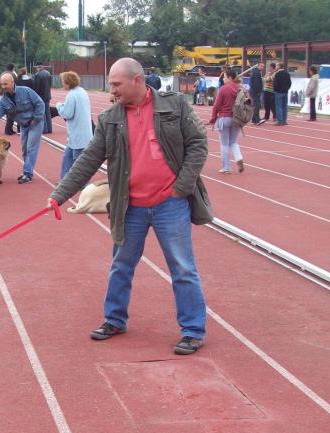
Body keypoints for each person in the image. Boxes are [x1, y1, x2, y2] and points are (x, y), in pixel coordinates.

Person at [47, 58, 211, 355]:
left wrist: (181, 187)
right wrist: (60, 194)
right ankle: (114, 319)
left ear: (137, 80)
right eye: (111, 84)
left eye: (116, 84)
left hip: (169, 203)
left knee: (183, 268)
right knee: (121, 265)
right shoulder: (110, 118)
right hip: (129, 205)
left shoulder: (175, 106)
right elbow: (89, 159)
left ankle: (193, 330)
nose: (112, 90)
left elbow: (199, 144)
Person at [0, 72, 44, 184]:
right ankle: (27, 171)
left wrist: (36, 118)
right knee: (24, 149)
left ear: (12, 82)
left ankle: (27, 173)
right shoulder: (4, 100)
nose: (3, 87)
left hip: (35, 123)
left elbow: (40, 103)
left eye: (6, 84)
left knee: (31, 147)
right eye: (1, 84)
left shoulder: (26, 91)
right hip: (23, 125)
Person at [56, 71, 92, 179]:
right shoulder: (82, 91)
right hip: (81, 133)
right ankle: (64, 180)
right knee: (68, 157)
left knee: (79, 162)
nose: (62, 84)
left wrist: (59, 106)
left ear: (68, 82)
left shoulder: (72, 95)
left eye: (63, 81)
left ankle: (83, 184)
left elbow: (67, 114)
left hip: (78, 134)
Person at [209, 68, 245, 174]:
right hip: (237, 118)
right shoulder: (241, 88)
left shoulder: (224, 89)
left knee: (224, 144)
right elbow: (249, 101)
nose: (223, 79)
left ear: (230, 77)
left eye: (224, 77)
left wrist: (213, 118)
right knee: (233, 142)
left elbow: (216, 105)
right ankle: (238, 158)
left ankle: (226, 167)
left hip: (224, 118)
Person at [33, 62, 53, 134]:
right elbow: (50, 84)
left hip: (40, 96)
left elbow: (36, 87)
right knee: (48, 113)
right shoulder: (48, 73)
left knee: (42, 113)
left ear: (38, 67)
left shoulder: (37, 75)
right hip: (47, 95)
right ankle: (50, 128)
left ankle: (44, 129)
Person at [0, 63, 18, 135]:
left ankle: (9, 129)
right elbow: (16, 84)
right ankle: (8, 130)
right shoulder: (12, 75)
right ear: (12, 68)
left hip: (4, 93)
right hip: (11, 94)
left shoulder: (2, 74)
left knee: (8, 112)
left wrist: (1, 91)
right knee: (11, 113)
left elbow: (0, 84)